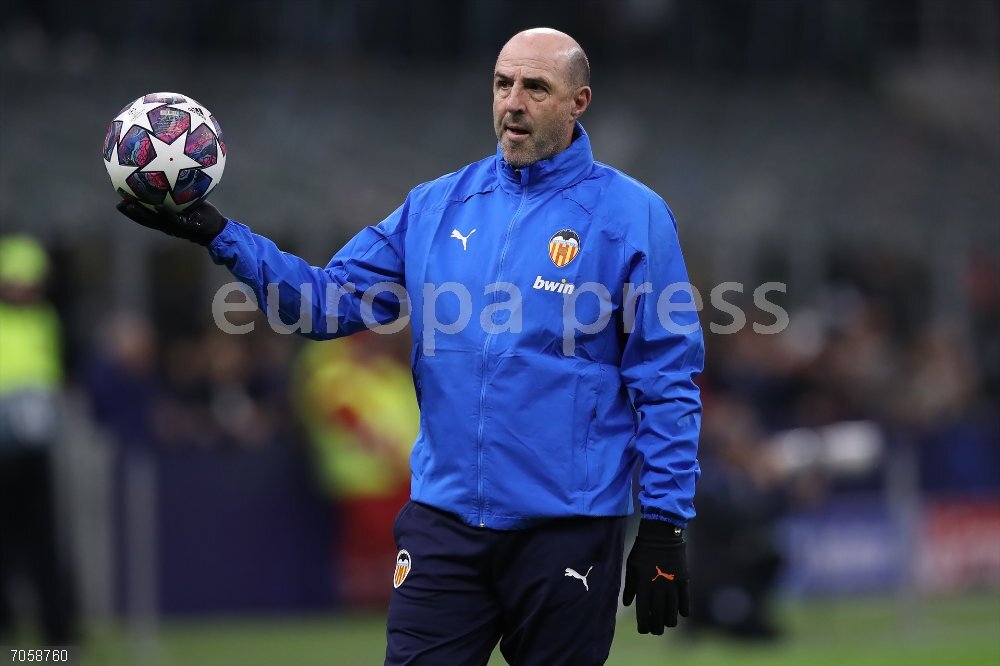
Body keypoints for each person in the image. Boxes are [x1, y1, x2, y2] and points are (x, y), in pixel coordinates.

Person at [117, 28, 704, 666]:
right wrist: (220, 235)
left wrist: (665, 521)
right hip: (444, 522)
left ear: (578, 102)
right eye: (503, 84)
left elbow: (666, 380)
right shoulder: (436, 206)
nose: (513, 102)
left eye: (536, 88)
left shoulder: (633, 216)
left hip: (567, 528)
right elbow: (324, 303)